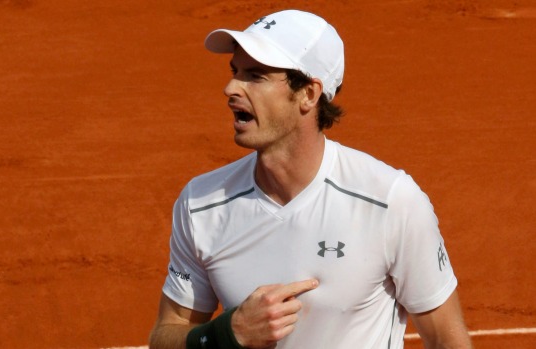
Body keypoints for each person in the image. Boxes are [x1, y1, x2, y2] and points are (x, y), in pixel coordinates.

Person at [149, 9, 472, 349]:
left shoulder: (389, 201)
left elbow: (446, 338)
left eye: (255, 76)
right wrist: (227, 334)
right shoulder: (201, 204)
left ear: (309, 94)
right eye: (235, 72)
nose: (231, 87)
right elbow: (165, 335)